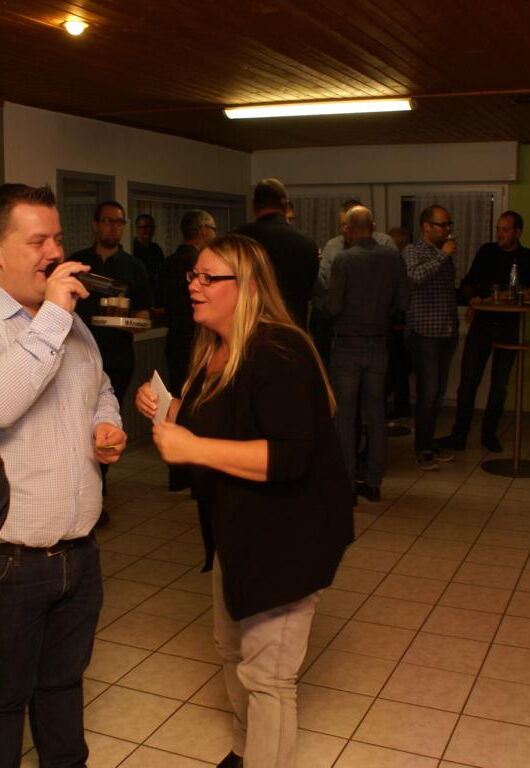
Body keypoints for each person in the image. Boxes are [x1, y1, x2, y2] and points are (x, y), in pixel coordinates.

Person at [136, 233, 353, 768]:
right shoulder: (214, 349)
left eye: (209, 277)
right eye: (193, 275)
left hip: (289, 533)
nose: (194, 285)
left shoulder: (278, 351)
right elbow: (218, 424)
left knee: (268, 676)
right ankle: (244, 751)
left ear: (249, 287)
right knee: (232, 650)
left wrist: (193, 446)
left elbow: (290, 456)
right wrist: (168, 408)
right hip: (237, 528)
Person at [0, 183, 127, 767]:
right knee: (4, 704)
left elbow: (100, 386)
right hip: (11, 563)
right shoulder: (55, 317)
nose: (55, 251)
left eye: (56, 237)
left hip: (80, 553)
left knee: (62, 688)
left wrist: (106, 424)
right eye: (37, 241)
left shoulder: (71, 323)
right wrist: (53, 315)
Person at [69, 200, 152, 524]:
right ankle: (89, 493)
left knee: (104, 424)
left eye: (118, 222)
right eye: (106, 221)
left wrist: (123, 322)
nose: (112, 227)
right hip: (75, 357)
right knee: (79, 425)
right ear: (95, 224)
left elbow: (143, 319)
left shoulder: (135, 267)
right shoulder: (77, 263)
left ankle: (98, 493)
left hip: (117, 357)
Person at [323, 206, 409, 501]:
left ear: (347, 229)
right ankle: (373, 482)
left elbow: (333, 307)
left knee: (346, 418)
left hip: (347, 344)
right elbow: (403, 301)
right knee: (376, 414)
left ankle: (347, 485)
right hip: (378, 343)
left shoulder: (344, 260)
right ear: (372, 226)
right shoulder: (392, 257)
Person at [437, 211, 530, 453]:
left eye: (505, 229)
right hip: (482, 324)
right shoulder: (487, 251)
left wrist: (506, 296)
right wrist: (473, 300)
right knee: (468, 381)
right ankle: (459, 434)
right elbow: (468, 282)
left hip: (509, 327)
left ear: (518, 232)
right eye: (498, 229)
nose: (500, 234)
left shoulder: (526, 257)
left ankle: (489, 434)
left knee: (499, 385)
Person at [403, 205, 459, 470]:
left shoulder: (443, 252)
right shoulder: (412, 251)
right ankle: (422, 450)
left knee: (437, 395)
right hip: (424, 333)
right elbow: (414, 278)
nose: (447, 229)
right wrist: (441, 255)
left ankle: (429, 442)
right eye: (442, 224)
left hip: (447, 331)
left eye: (449, 224)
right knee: (427, 394)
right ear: (426, 226)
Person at [311, 199, 397, 365]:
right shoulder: (333, 246)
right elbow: (326, 285)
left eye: (347, 224)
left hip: (378, 330)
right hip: (343, 331)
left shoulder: (385, 244)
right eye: (341, 225)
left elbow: (395, 287)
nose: (343, 229)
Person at [237, 178, 319, 328]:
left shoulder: (238, 240)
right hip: (293, 327)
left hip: (250, 326)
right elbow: (311, 291)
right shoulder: (307, 243)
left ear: (254, 206)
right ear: (285, 206)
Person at [164, 209, 217, 397]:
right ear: (202, 230)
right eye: (213, 229)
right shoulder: (201, 264)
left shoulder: (168, 262)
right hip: (197, 339)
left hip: (173, 340)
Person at [132, 213, 166, 308]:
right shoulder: (131, 248)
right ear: (137, 229)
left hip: (154, 296)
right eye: (145, 227)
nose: (148, 230)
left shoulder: (156, 249)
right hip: (137, 294)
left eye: (151, 227)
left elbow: (162, 271)